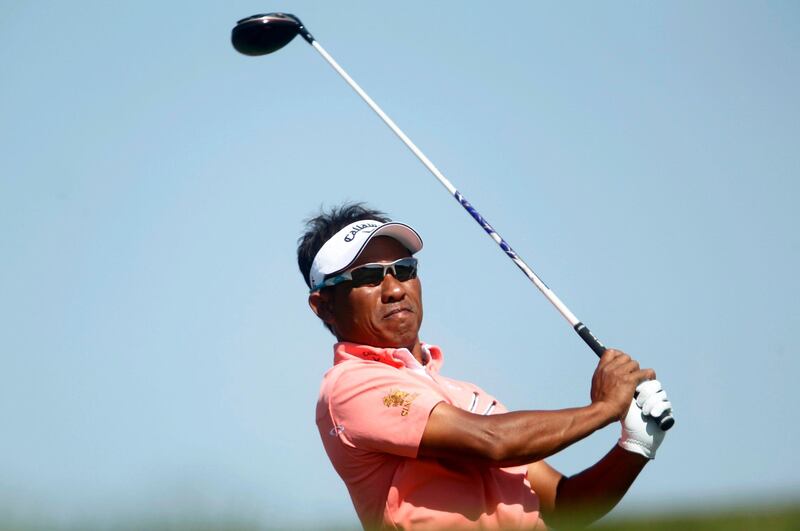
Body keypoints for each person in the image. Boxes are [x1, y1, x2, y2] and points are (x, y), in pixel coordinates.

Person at [298, 203, 672, 530]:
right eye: (367, 277)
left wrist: (636, 444)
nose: (396, 288)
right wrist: (605, 408)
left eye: (405, 269)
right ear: (324, 305)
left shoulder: (469, 397)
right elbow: (494, 442)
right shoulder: (350, 386)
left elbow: (565, 503)